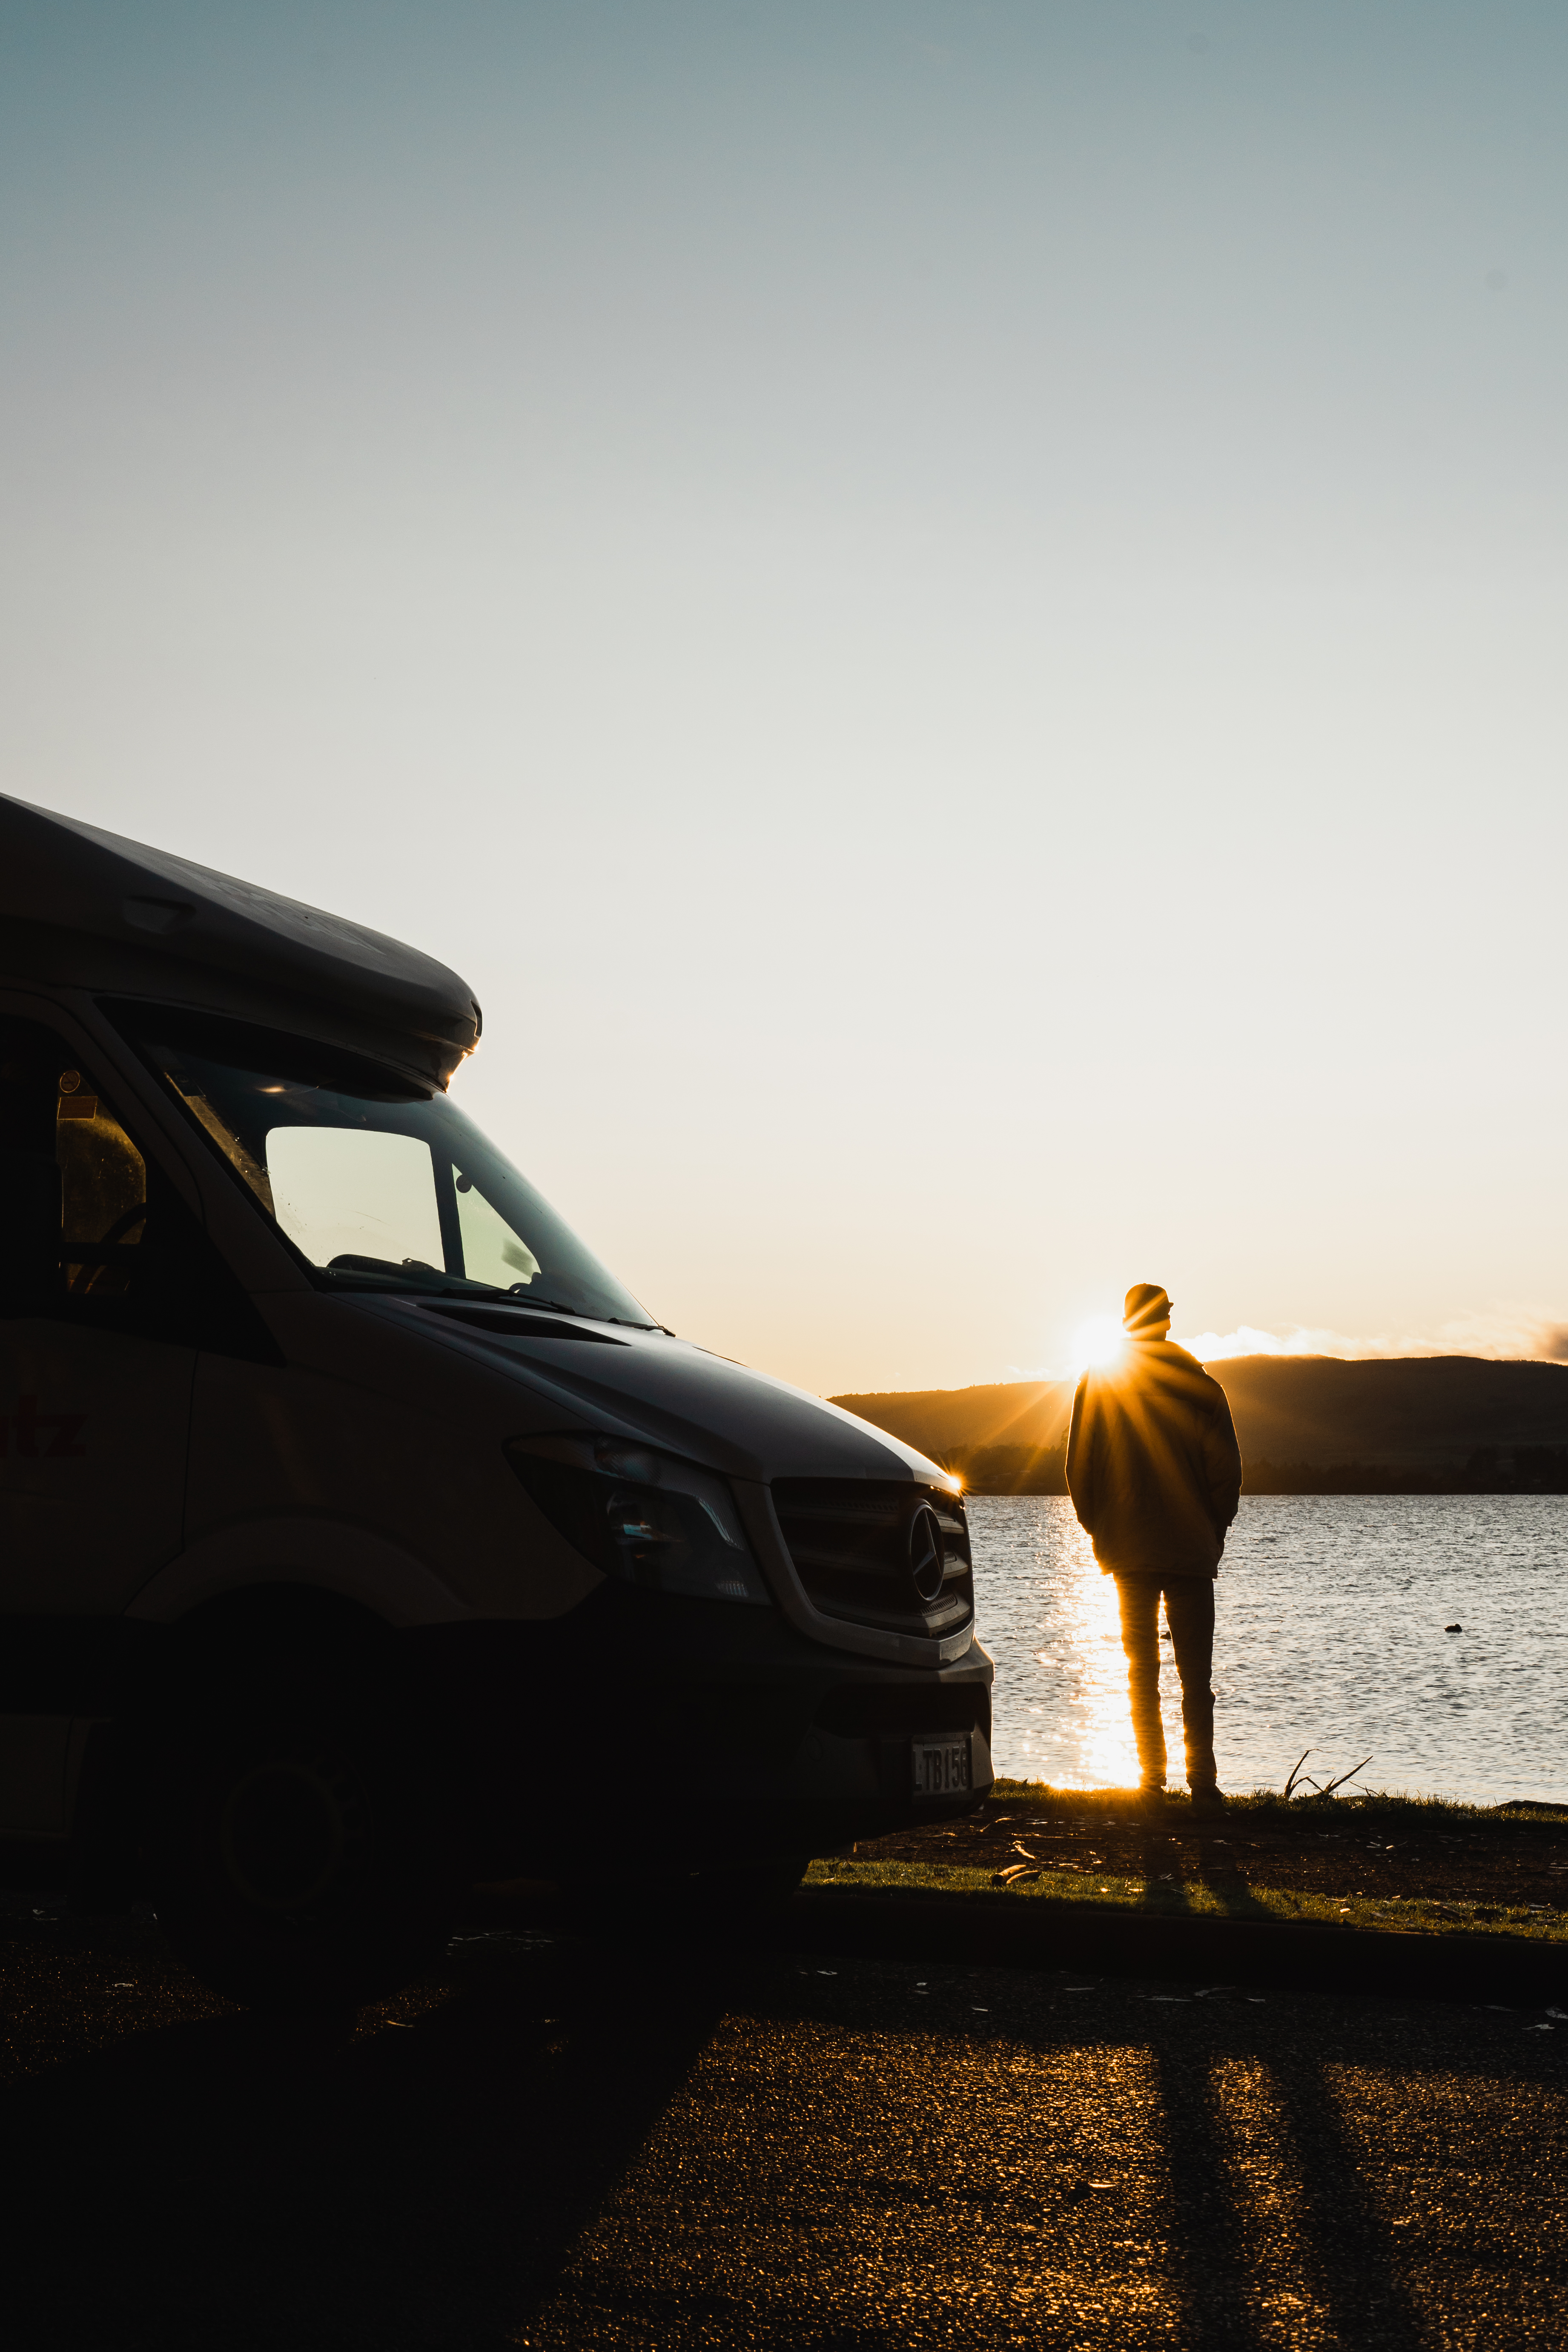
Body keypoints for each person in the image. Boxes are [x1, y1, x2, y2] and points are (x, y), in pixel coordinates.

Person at [1065, 1283, 1242, 1812]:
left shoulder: (1098, 1383)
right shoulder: (1201, 1387)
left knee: (1140, 1672)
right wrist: (1214, 1530)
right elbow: (1226, 1474)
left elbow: (1078, 1468)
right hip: (1190, 1550)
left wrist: (1099, 1528)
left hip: (1127, 1547)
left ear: (1127, 1322)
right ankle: (1202, 1784)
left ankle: (1150, 1782)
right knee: (1196, 1677)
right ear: (1166, 1321)